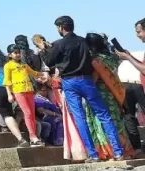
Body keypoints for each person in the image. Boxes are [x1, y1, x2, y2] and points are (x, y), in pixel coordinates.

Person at [41, 16, 126, 162]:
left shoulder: (59, 44)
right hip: (87, 80)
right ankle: (118, 152)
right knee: (104, 115)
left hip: (69, 82)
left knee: (80, 118)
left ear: (61, 27)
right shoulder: (83, 41)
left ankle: (93, 155)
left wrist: (44, 50)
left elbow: (49, 61)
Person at [84, 33, 132, 159]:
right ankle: (125, 149)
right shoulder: (110, 57)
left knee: (103, 121)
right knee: (116, 120)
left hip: (100, 94)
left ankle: (109, 151)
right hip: (113, 92)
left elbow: (94, 80)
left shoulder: (96, 61)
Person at [0, 41, 29, 145]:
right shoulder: (5, 59)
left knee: (6, 115)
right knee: (14, 111)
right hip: (12, 87)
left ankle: (20, 139)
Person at [4, 43, 44, 146]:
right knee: (27, 113)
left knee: (31, 114)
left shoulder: (24, 65)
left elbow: (34, 73)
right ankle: (33, 136)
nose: (17, 55)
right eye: (15, 53)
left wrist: (43, 74)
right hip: (18, 91)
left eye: (18, 53)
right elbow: (7, 81)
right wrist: (9, 94)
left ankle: (34, 137)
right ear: (10, 55)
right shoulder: (8, 66)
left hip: (29, 91)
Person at [34, 82, 64, 146]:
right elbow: (41, 110)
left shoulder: (44, 98)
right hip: (46, 117)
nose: (46, 92)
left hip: (52, 116)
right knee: (58, 119)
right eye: (44, 90)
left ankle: (61, 139)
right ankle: (57, 140)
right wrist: (56, 114)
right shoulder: (37, 99)